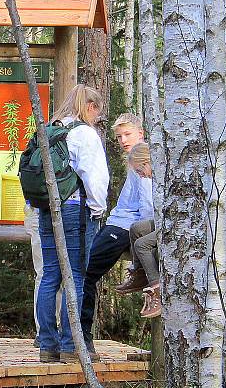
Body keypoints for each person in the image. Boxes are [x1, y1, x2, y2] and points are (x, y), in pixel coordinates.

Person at [36, 85, 109, 363]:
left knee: (50, 275)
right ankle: (71, 345)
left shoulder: (51, 129)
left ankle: (47, 346)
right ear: (90, 106)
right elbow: (94, 178)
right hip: (76, 211)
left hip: (47, 210)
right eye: (96, 111)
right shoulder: (85, 134)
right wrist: (98, 210)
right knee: (75, 276)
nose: (96, 117)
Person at [80, 113, 153, 347]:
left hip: (124, 227)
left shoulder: (142, 158)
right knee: (86, 270)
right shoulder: (134, 157)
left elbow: (147, 203)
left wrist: (140, 235)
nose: (123, 140)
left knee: (86, 273)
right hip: (119, 221)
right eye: (119, 136)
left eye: (128, 134)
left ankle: (82, 337)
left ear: (140, 133)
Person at [115, 142, 160, 318]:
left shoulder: (163, 176)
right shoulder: (150, 179)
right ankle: (140, 275)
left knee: (142, 245)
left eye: (140, 170)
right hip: (161, 221)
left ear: (147, 162)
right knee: (136, 229)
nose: (140, 175)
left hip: (175, 224)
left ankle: (157, 290)